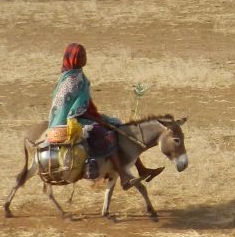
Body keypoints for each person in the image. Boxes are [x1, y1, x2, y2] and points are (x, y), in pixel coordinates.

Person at [48, 43, 161, 185]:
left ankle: (141, 169)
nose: (84, 58)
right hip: (69, 122)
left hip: (81, 116)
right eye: (81, 56)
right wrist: (97, 121)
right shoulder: (72, 80)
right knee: (105, 134)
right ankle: (123, 176)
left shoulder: (76, 75)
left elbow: (83, 106)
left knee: (118, 125)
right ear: (73, 59)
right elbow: (72, 112)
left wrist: (97, 118)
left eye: (85, 55)